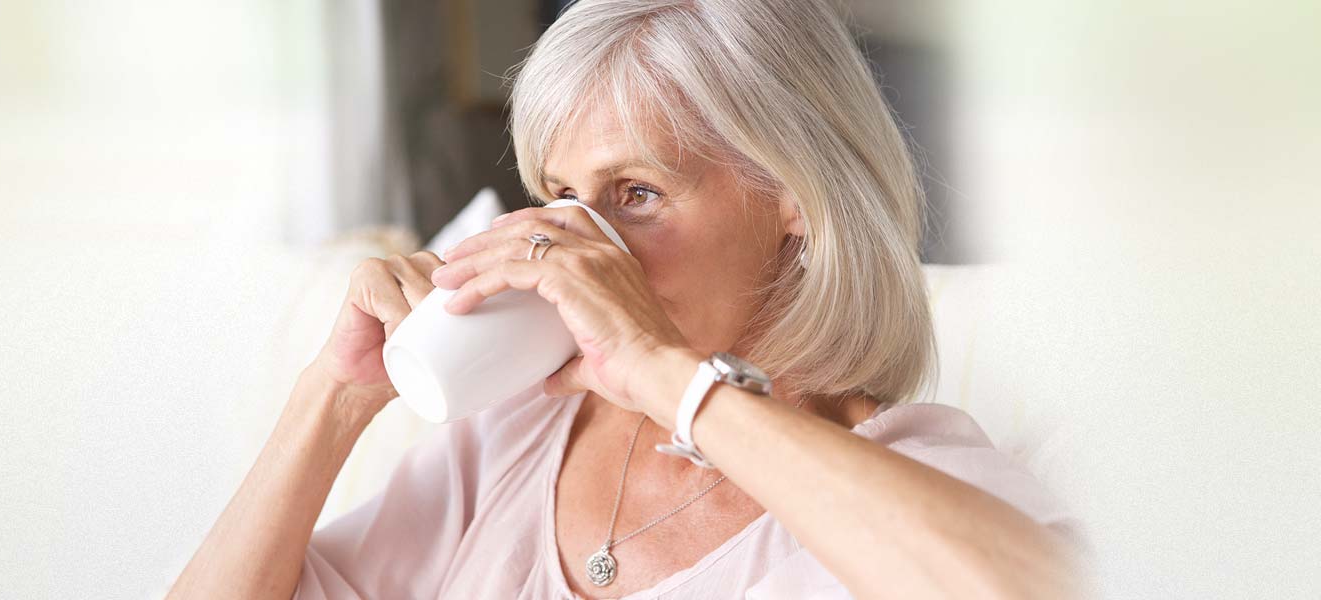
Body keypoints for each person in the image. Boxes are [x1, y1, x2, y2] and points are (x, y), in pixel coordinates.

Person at [170, 0, 1080, 597]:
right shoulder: (507, 445)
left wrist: (665, 372)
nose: (576, 245)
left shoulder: (900, 473)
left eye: (635, 194)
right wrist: (330, 401)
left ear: (795, 199)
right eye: (563, 195)